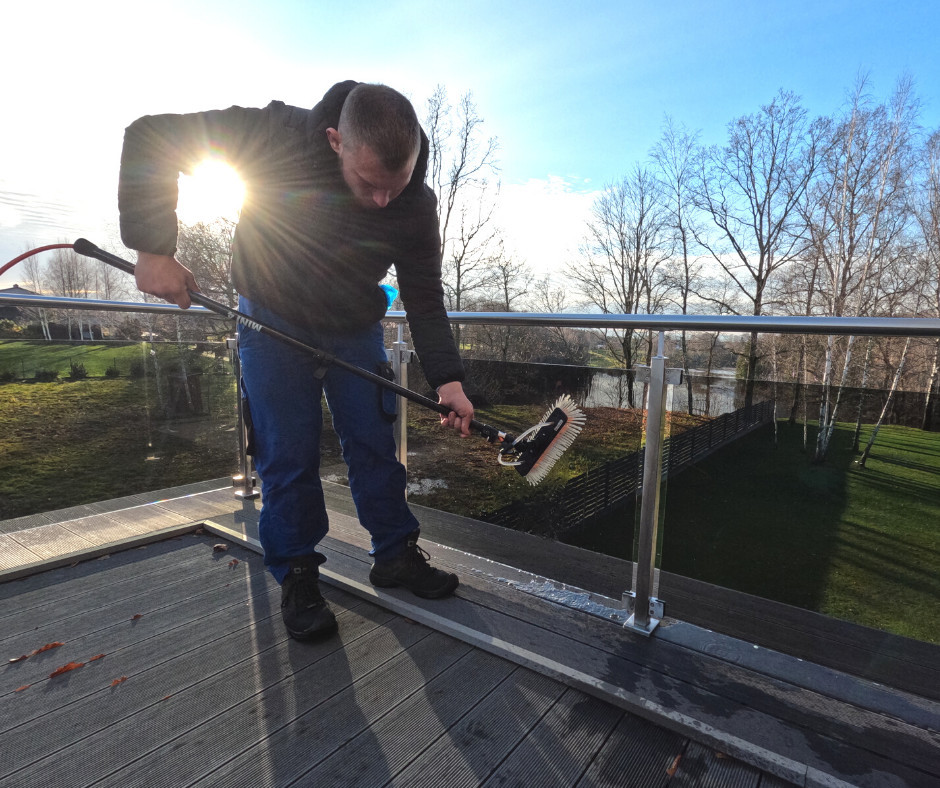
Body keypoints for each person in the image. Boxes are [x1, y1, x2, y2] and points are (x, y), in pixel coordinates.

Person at [118, 80, 474, 641]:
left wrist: (449, 380)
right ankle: (298, 574)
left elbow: (425, 295)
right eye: (369, 184)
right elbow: (150, 137)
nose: (384, 200)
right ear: (335, 141)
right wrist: (153, 248)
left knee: (374, 442)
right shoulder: (275, 135)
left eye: (397, 184)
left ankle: (395, 555)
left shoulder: (415, 204)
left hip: (353, 323)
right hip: (272, 315)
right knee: (286, 451)